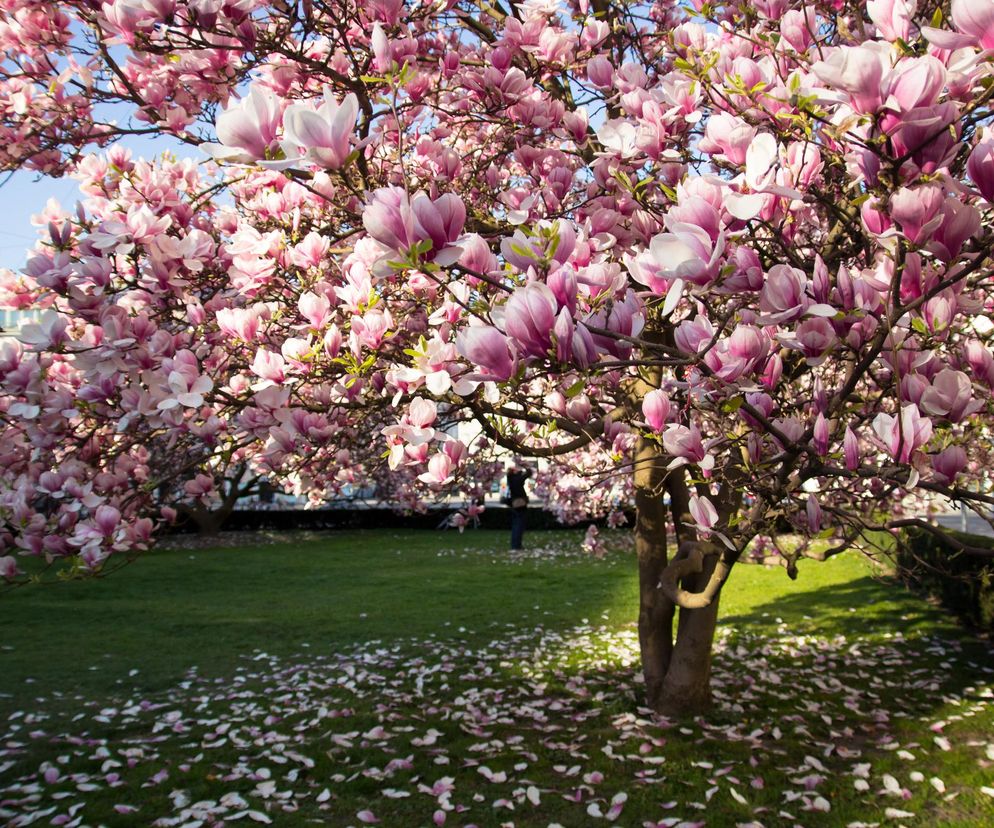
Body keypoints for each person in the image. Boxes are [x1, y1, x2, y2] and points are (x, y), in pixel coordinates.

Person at [505, 459, 533, 551]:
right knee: (519, 526)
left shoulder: (511, 479)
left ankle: (515, 545)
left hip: (515, 504)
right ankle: (516, 545)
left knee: (516, 525)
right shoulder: (517, 479)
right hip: (520, 505)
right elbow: (529, 473)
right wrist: (524, 465)